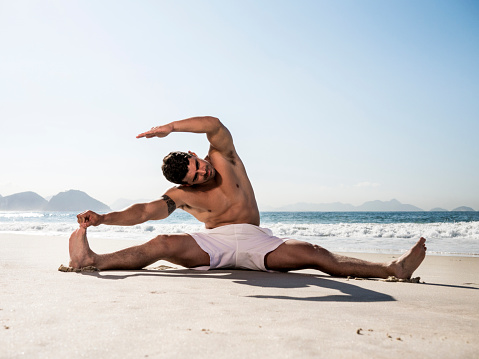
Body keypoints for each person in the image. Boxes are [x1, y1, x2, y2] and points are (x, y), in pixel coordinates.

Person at [70, 116, 426, 279]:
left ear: (196, 155)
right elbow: (144, 212)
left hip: (258, 240)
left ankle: (392, 269)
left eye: (198, 165)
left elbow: (214, 125)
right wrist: (102, 219)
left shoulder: (224, 159)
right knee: (163, 241)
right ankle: (91, 260)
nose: (202, 173)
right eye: (195, 178)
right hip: (212, 242)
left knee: (313, 254)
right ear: (187, 186)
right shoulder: (179, 195)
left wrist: (171, 127)